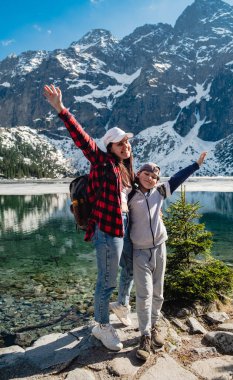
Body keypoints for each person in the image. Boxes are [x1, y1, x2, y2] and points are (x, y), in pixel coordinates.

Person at [43, 84, 134, 351]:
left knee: (129, 267)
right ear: (110, 147)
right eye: (121, 143)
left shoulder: (124, 168)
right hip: (107, 229)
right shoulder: (102, 162)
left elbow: (128, 197)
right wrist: (61, 109)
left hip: (124, 225)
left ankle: (122, 304)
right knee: (107, 280)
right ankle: (101, 326)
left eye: (127, 142)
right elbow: (81, 138)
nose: (126, 146)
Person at [128, 153, 207, 361]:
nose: (150, 178)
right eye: (146, 174)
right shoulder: (129, 195)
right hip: (140, 252)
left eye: (154, 176)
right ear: (138, 174)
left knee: (159, 293)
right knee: (144, 294)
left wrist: (195, 165)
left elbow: (178, 178)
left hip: (160, 248)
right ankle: (144, 336)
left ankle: (153, 327)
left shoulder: (160, 192)